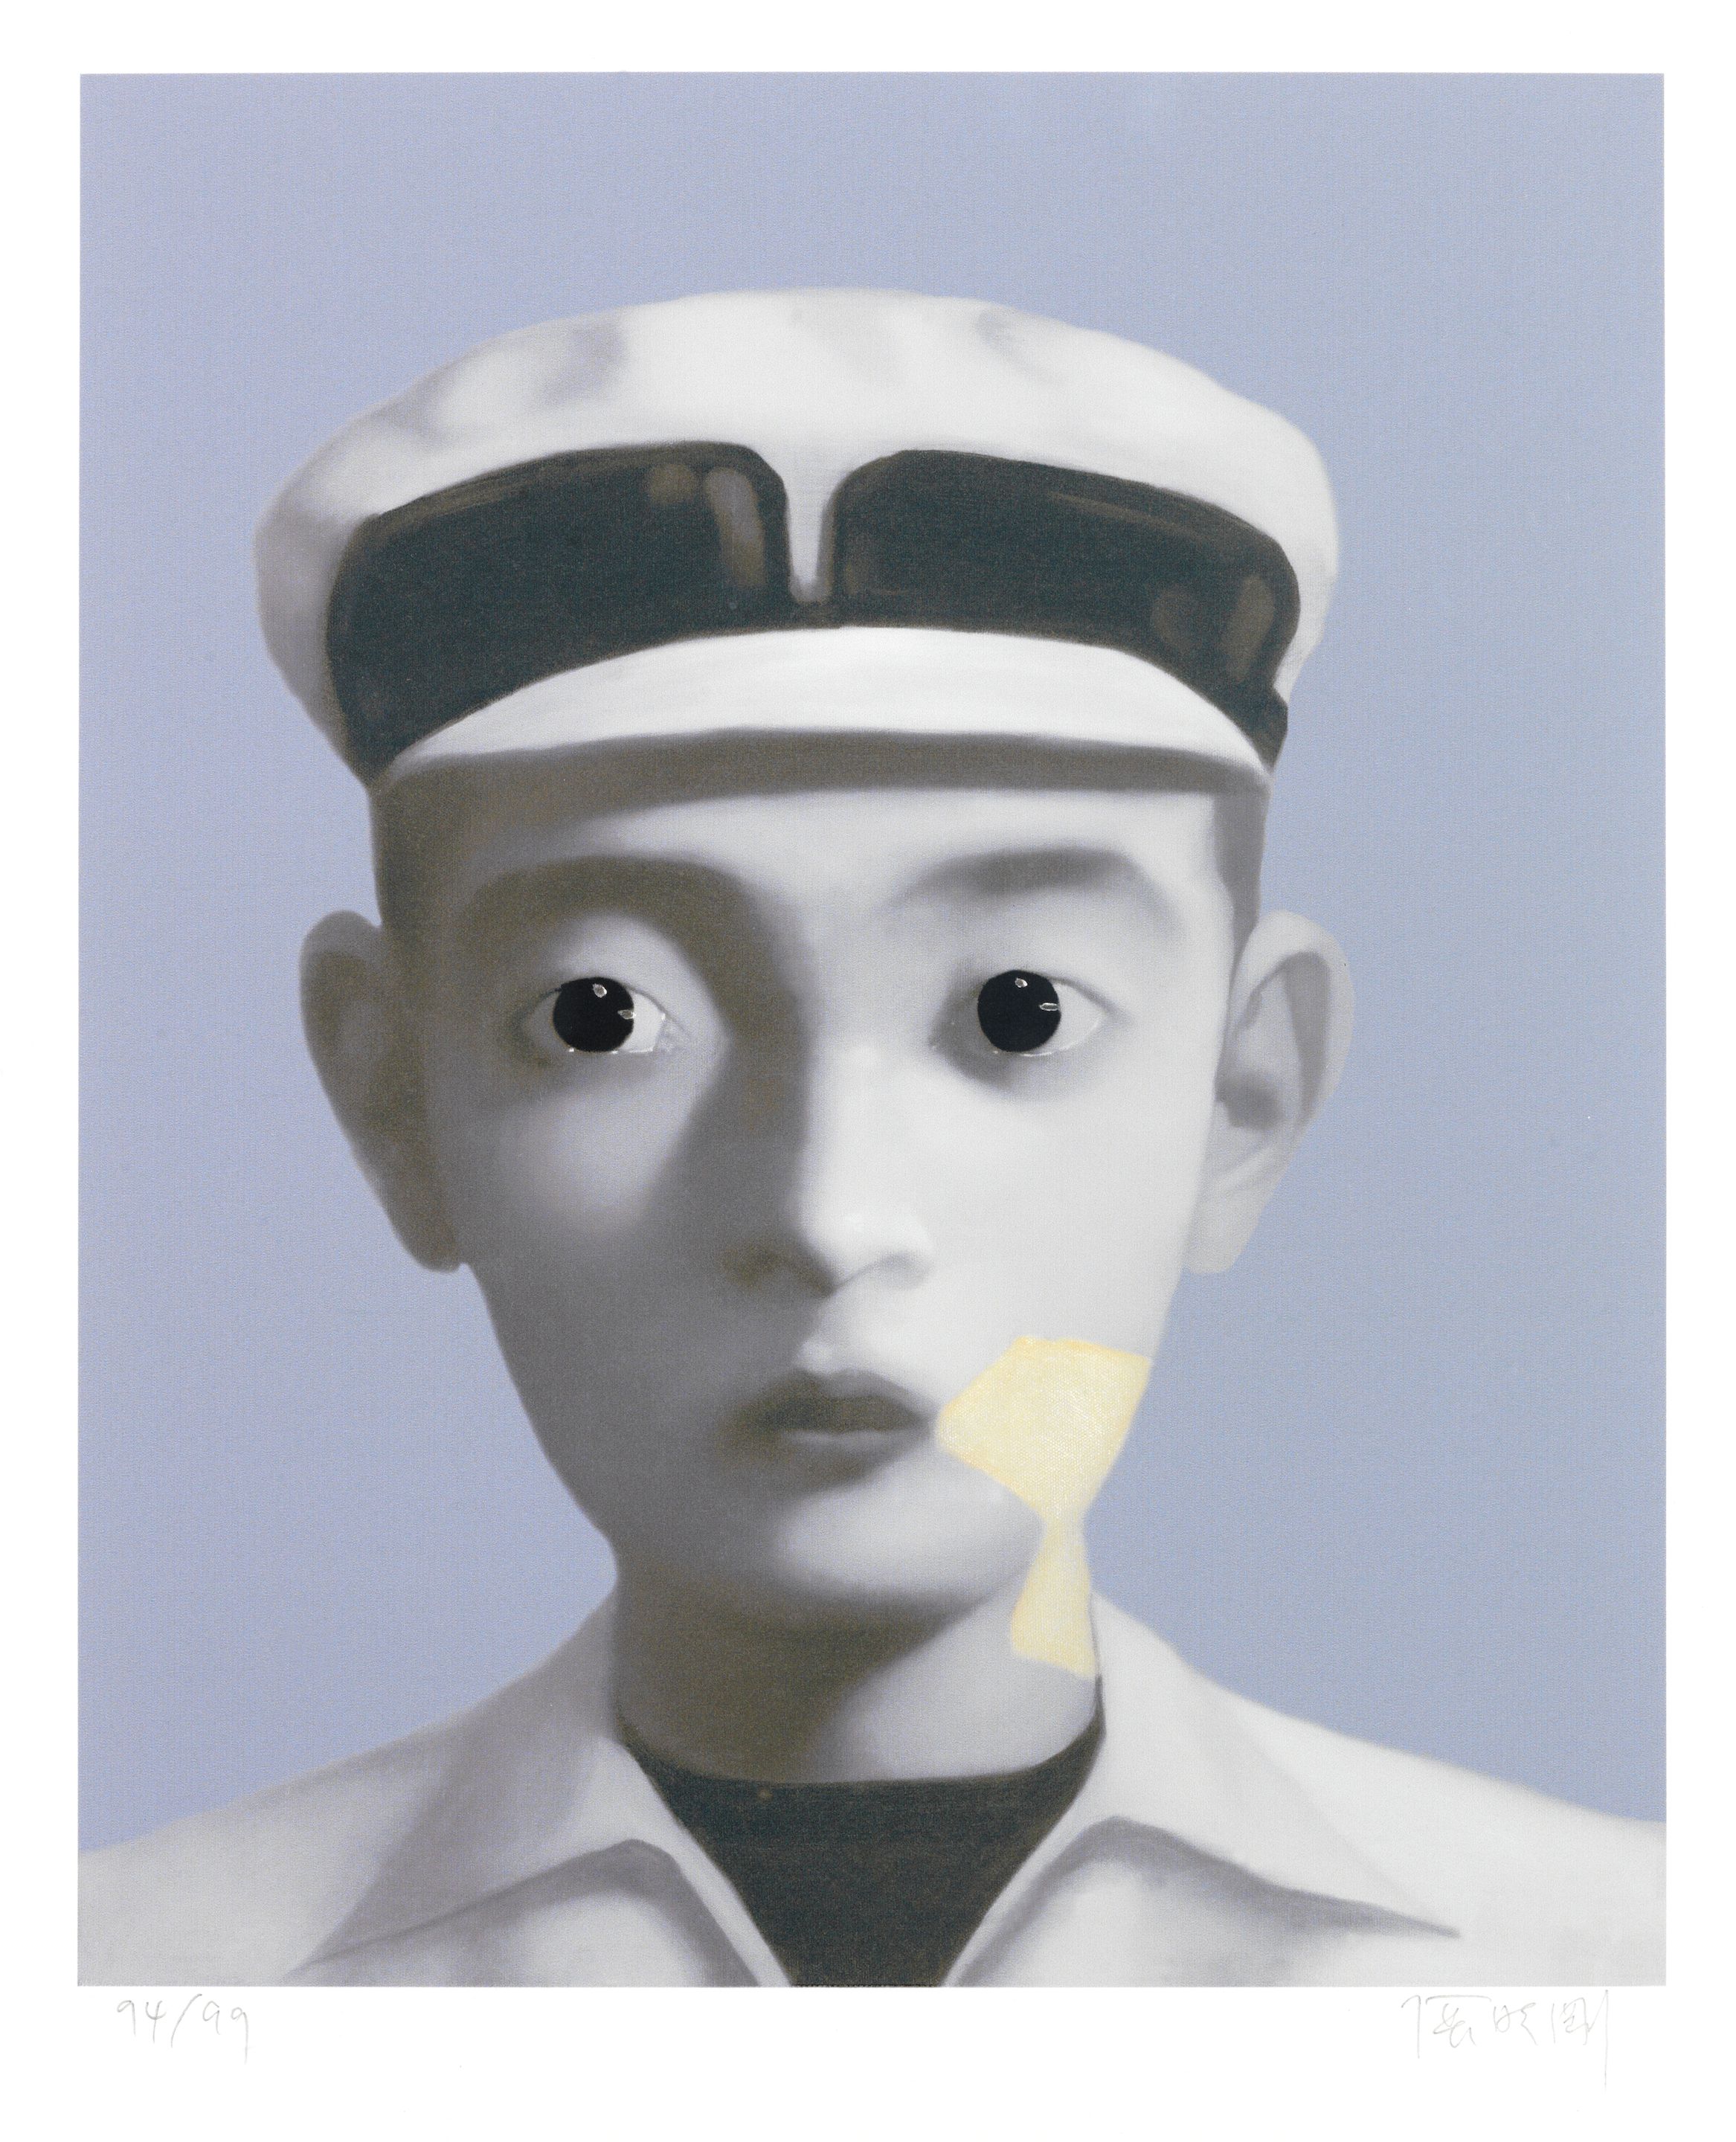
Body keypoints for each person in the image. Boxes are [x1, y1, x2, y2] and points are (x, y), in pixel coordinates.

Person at [80, 289, 1662, 1987]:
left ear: (1243, 1093)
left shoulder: (1607, 1970)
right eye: (602, 1017)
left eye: (1018, 1015)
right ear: (393, 1098)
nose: (829, 1214)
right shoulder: (133, 1982)